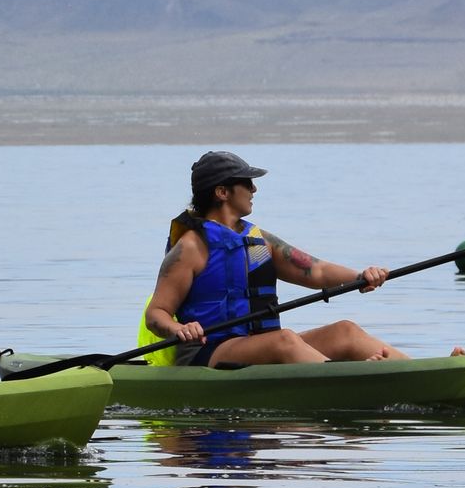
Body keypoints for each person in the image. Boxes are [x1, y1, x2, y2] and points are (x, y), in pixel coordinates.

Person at [141, 148, 421, 369]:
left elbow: (317, 271)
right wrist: (180, 328)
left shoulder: (260, 241)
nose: (254, 190)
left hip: (258, 345)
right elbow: (156, 313)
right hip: (207, 352)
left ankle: (421, 372)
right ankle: (355, 379)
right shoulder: (190, 248)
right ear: (222, 192)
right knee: (283, 340)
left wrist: (360, 277)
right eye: (247, 183)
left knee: (344, 331)